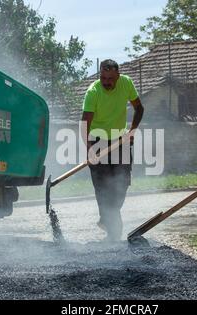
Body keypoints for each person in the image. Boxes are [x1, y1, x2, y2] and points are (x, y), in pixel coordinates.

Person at [81, 59, 144, 242]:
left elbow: (139, 108)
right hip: (97, 139)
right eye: (103, 78)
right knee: (102, 188)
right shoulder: (93, 92)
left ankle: (108, 219)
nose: (106, 82)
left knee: (122, 183)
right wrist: (90, 149)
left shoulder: (126, 83)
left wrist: (132, 130)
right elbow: (85, 123)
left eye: (110, 78)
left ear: (118, 75)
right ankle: (113, 231)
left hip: (120, 138)